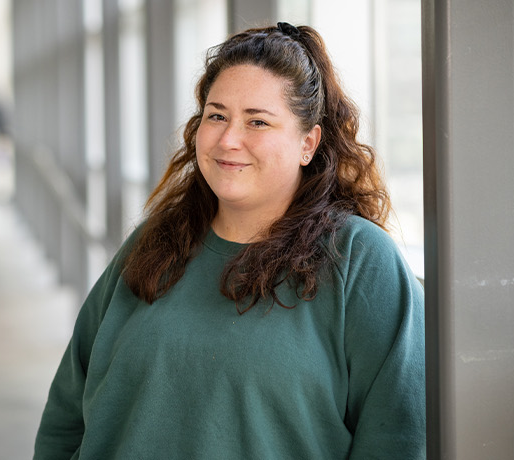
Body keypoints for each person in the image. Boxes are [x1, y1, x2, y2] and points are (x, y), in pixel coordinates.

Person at [33, 23, 425, 459]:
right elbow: (67, 412)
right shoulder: (157, 241)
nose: (227, 140)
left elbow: (399, 437)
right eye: (216, 115)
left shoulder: (359, 260)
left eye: (257, 121)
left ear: (307, 143)